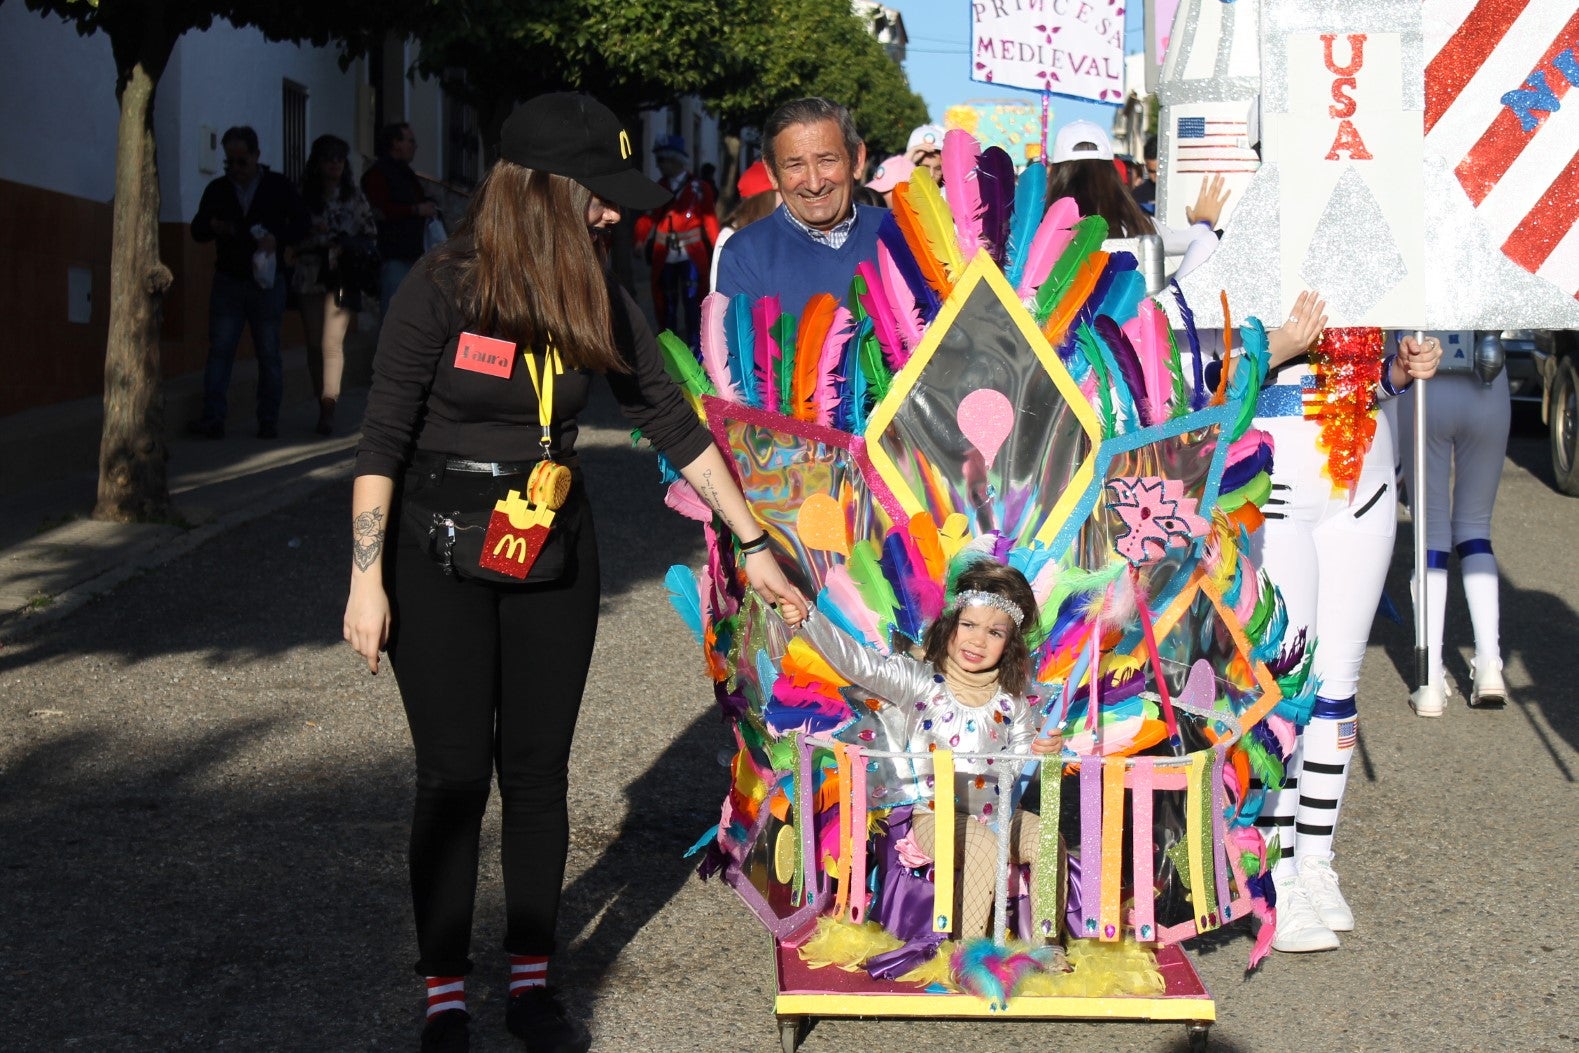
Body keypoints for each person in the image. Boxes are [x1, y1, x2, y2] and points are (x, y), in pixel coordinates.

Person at [341, 92, 806, 1053]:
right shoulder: (440, 285)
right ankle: (443, 992)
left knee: (537, 772)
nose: (611, 210)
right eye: (597, 191)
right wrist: (364, 578)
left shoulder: (593, 286)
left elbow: (670, 418)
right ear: (543, 189)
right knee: (453, 775)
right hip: (437, 550)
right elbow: (382, 438)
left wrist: (752, 541)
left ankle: (530, 982)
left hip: (555, 546)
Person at [1236, 297, 1442, 953]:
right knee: (1283, 682)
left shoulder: (1367, 257)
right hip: (1276, 474)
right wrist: (1275, 348)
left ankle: (1315, 861)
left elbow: (1366, 379)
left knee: (1336, 683)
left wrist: (1399, 372)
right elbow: (1191, 367)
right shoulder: (1238, 243)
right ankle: (1273, 873)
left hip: (1364, 476)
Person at [794, 560, 1063, 938]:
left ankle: (1045, 945)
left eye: (994, 632)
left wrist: (1042, 749)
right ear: (949, 625)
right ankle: (967, 952)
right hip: (933, 816)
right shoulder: (919, 682)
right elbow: (859, 664)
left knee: (1049, 838)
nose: (978, 641)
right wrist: (807, 619)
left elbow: (1020, 765)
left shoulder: (1013, 700)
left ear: (1010, 644)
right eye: (968, 625)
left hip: (998, 813)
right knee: (981, 845)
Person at [1394, 331, 1511, 715]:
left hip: (1426, 381)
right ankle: (1490, 665)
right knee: (1476, 529)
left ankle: (1429, 681)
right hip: (1488, 376)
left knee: (1431, 535)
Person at [714, 97, 884, 319]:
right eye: (795, 165)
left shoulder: (900, 232)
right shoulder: (745, 255)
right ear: (772, 173)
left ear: (857, 159)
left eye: (827, 161)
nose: (814, 184)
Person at [188, 125, 308, 440]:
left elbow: (302, 223)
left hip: (266, 282)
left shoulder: (277, 186)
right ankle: (213, 417)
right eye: (230, 162)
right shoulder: (218, 189)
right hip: (229, 278)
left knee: (268, 352)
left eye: (242, 161)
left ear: (256, 156)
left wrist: (276, 239)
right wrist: (215, 225)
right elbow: (197, 230)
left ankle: (268, 419)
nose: (237, 169)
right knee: (221, 349)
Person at [1048, 120, 1226, 282]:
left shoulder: (1043, 228)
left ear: (1056, 172)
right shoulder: (1135, 222)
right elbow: (1190, 241)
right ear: (1110, 171)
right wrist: (1204, 222)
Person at [294, 134, 377, 436]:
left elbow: (370, 233)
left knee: (332, 343)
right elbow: (290, 232)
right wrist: (313, 234)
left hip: (343, 275)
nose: (334, 164)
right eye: (328, 158)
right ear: (317, 162)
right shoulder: (303, 196)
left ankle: (328, 407)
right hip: (310, 274)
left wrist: (347, 243)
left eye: (339, 159)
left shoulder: (353, 197)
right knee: (314, 343)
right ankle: (321, 396)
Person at [633, 135, 718, 347]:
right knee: (665, 303)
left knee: (694, 301)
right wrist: (640, 239)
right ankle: (669, 346)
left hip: (692, 255)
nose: (659, 165)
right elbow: (648, 217)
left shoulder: (700, 188)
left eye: (662, 160)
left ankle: (696, 346)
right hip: (664, 255)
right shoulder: (658, 187)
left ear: (675, 160)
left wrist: (719, 248)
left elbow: (710, 220)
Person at [361, 122, 438, 312]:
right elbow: (379, 210)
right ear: (396, 143)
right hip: (393, 256)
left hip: (414, 256)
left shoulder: (406, 174)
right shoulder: (379, 174)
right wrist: (415, 210)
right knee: (394, 314)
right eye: (410, 141)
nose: (414, 147)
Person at [707, 160, 778, 294]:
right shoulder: (730, 235)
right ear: (765, 199)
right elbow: (719, 295)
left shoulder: (781, 231)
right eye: (779, 193)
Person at [1133, 134, 1159, 214]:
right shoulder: (1137, 196)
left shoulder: (1185, 191)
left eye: (1160, 172)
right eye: (1151, 171)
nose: (1156, 177)